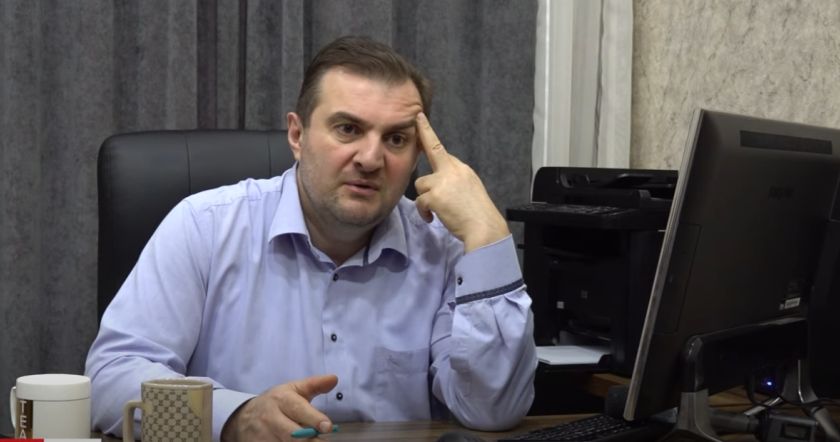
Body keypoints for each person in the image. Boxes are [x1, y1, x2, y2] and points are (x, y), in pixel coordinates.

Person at [85, 35, 536, 442]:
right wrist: (235, 417)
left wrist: (488, 234)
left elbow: (492, 410)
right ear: (297, 135)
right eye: (348, 129)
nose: (371, 158)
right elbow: (112, 378)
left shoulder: (443, 248)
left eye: (396, 139)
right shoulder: (205, 227)